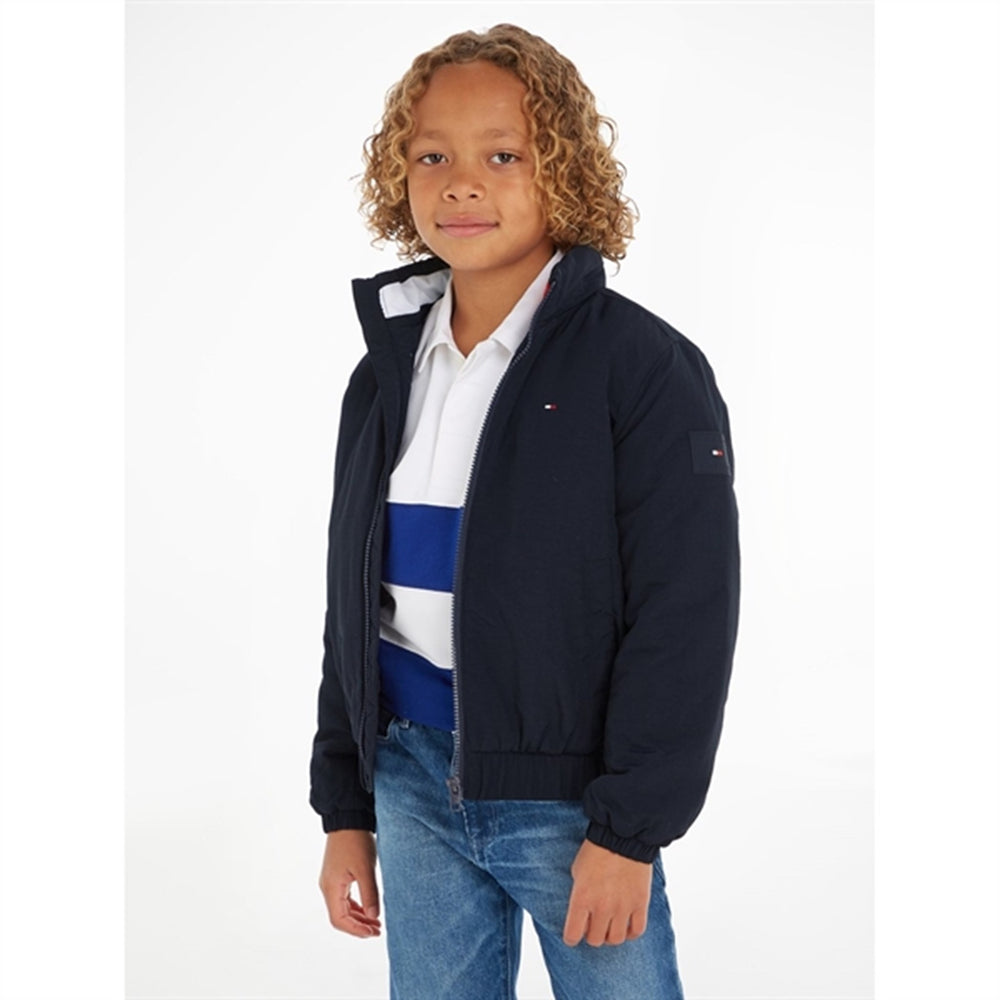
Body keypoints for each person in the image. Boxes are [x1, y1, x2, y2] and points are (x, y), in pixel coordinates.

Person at [309, 23, 740, 1000]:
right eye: (433, 156)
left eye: (502, 156)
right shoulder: (384, 377)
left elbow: (685, 614)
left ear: (565, 170)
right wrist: (346, 804)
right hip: (410, 778)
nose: (462, 184)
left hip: (572, 803)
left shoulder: (643, 371)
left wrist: (628, 830)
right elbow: (351, 601)